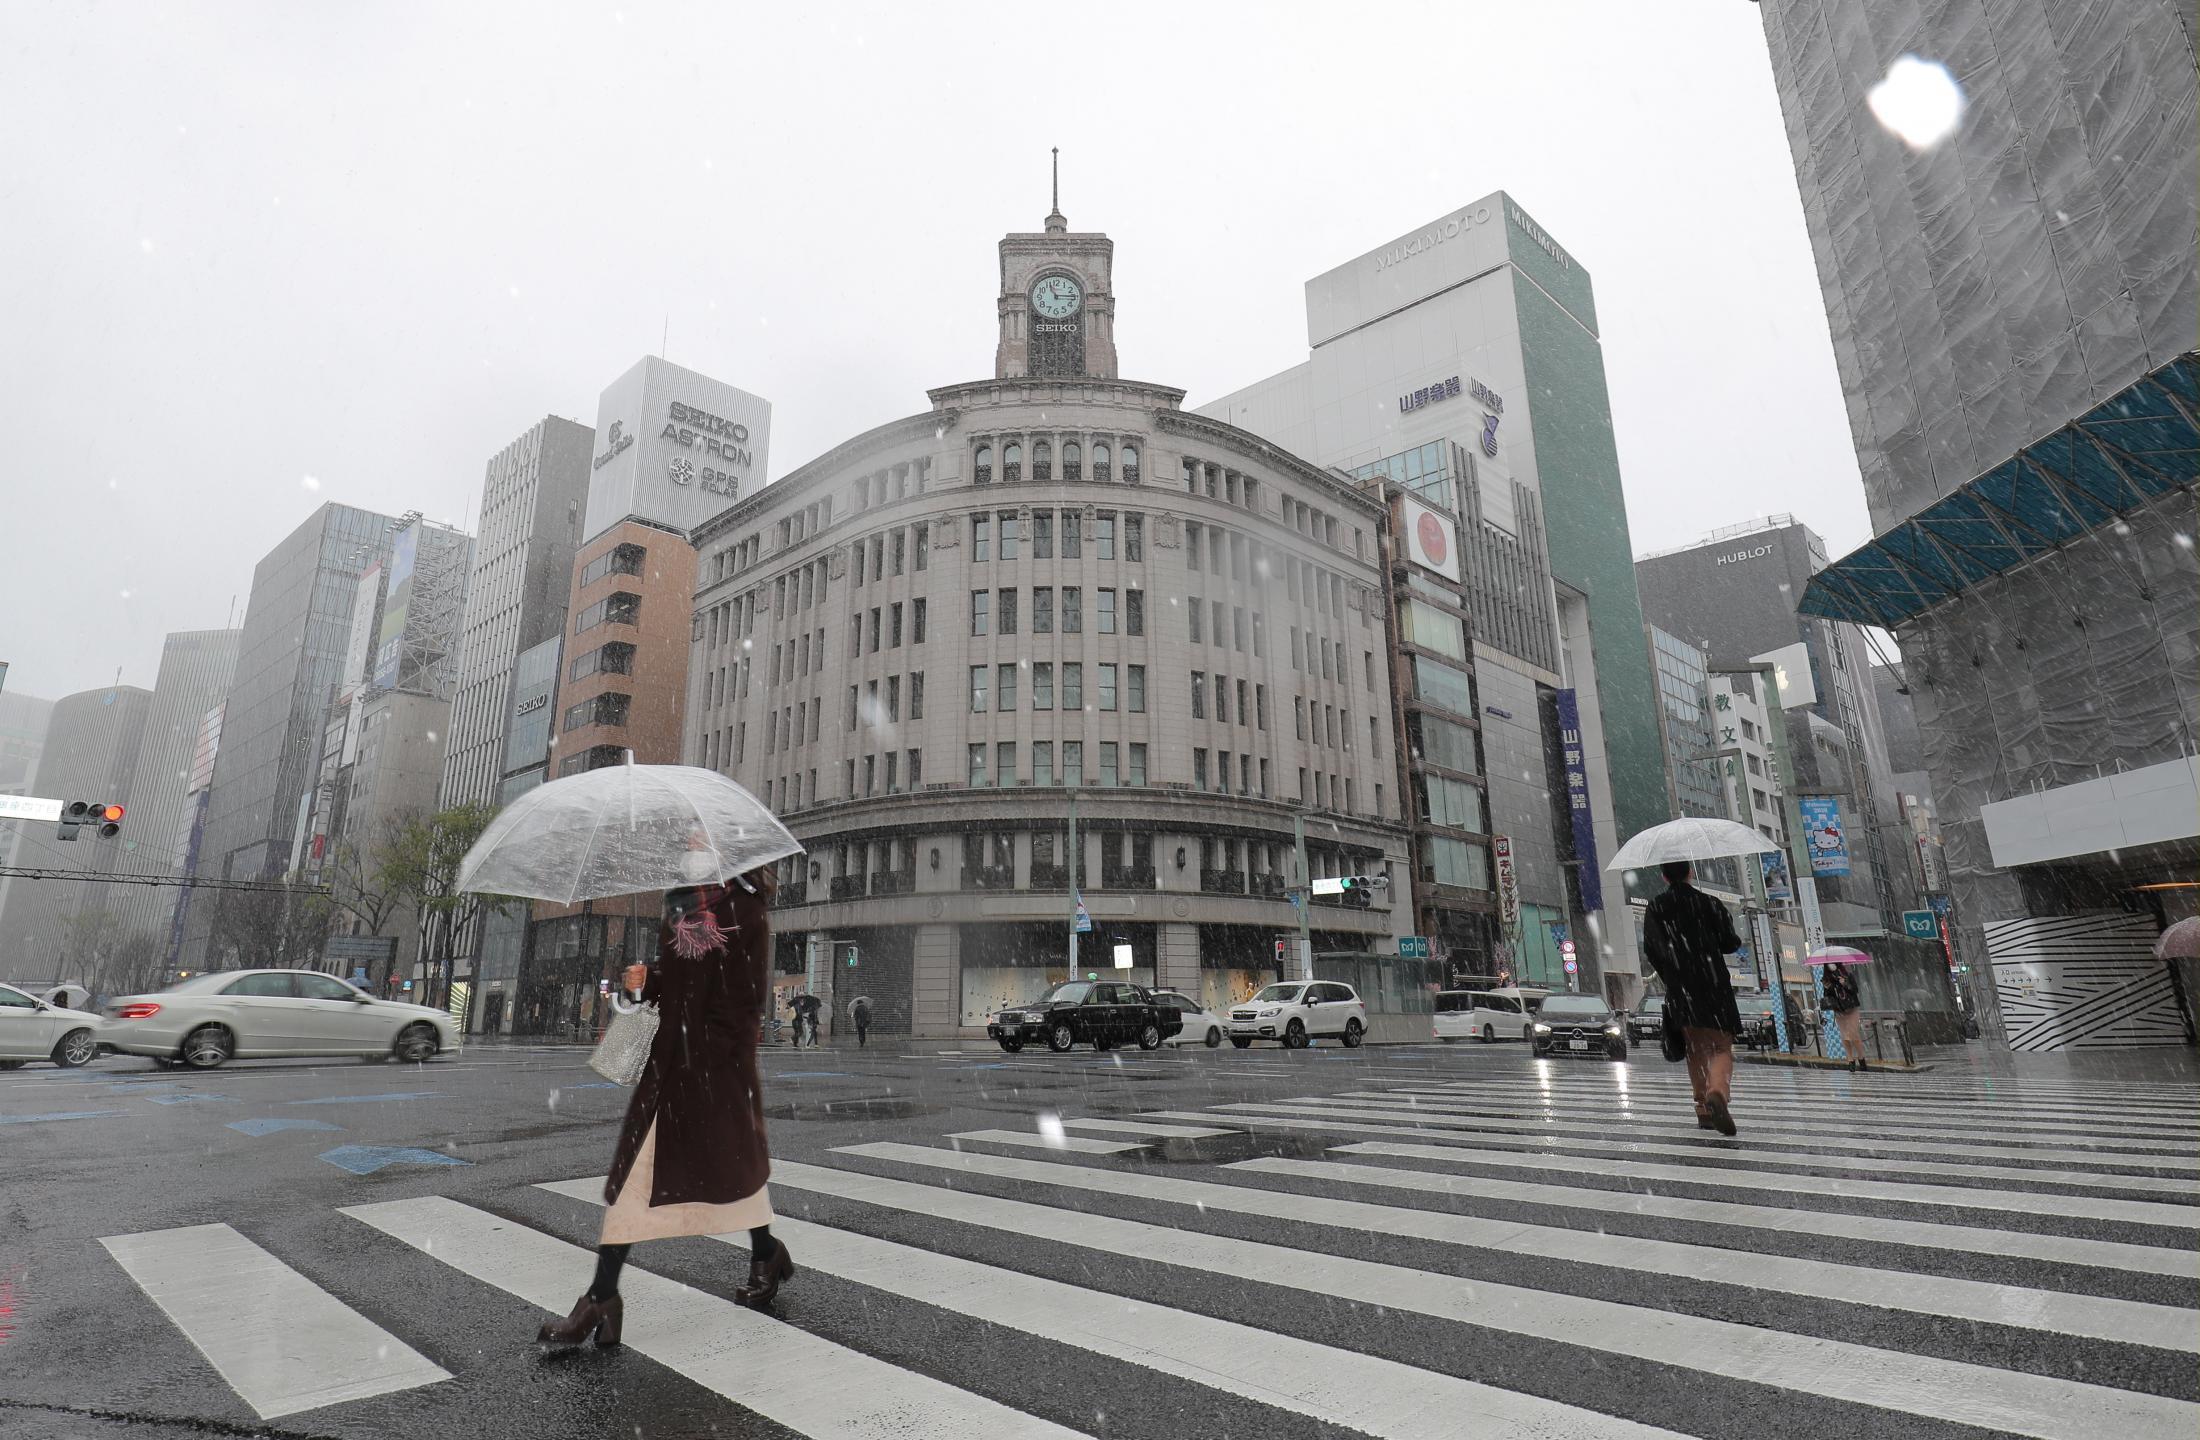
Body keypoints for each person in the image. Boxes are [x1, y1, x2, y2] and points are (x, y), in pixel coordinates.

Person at [537, 846, 794, 1350]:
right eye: (689, 838)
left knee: (730, 1173)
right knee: (647, 1180)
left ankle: (605, 1298)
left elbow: (744, 1005)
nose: (691, 843)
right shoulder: (680, 902)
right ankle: (604, 1296)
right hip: (670, 1068)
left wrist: (708, 1059)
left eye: (700, 837)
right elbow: (679, 985)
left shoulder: (744, 909)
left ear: (724, 848)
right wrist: (646, 981)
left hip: (713, 1071)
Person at [1642, 860, 1745, 1136]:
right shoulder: (1709, 903)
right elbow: (1730, 942)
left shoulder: (1656, 907)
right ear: (1690, 873)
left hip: (1681, 987)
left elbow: (1652, 949)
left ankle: (1702, 1108)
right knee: (1721, 1047)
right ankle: (1717, 1092)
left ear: (1664, 877)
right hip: (1713, 982)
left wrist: (1671, 972)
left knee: (1695, 1048)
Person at [1822, 961, 1865, 1070]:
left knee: (1854, 1035)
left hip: (1852, 1008)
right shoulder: (1827, 979)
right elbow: (1827, 998)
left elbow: (1855, 990)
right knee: (1845, 1037)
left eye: (1833, 963)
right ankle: (1850, 1060)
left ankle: (1861, 1058)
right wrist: (1828, 988)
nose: (1831, 965)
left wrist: (1845, 984)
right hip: (1839, 1010)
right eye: (1828, 964)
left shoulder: (1847, 975)